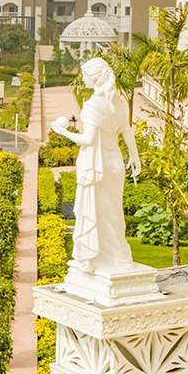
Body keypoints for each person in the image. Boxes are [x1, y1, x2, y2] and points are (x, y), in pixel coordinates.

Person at [51, 57, 141, 273]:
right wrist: (135, 156)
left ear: (95, 77)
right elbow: (127, 131)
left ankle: (92, 256)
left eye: (85, 75)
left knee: (94, 211)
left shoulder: (93, 105)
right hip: (114, 163)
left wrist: (62, 131)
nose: (83, 79)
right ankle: (116, 256)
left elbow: (87, 140)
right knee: (113, 212)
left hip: (95, 165)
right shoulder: (118, 101)